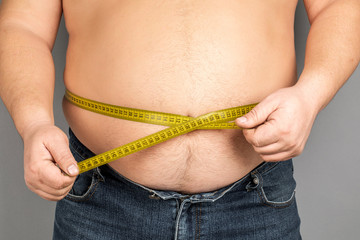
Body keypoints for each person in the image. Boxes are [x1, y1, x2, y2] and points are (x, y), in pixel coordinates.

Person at [0, 0, 359, 239]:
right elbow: (21, 25)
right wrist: (32, 123)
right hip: (101, 202)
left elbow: (338, 5)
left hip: (255, 197)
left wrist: (310, 95)